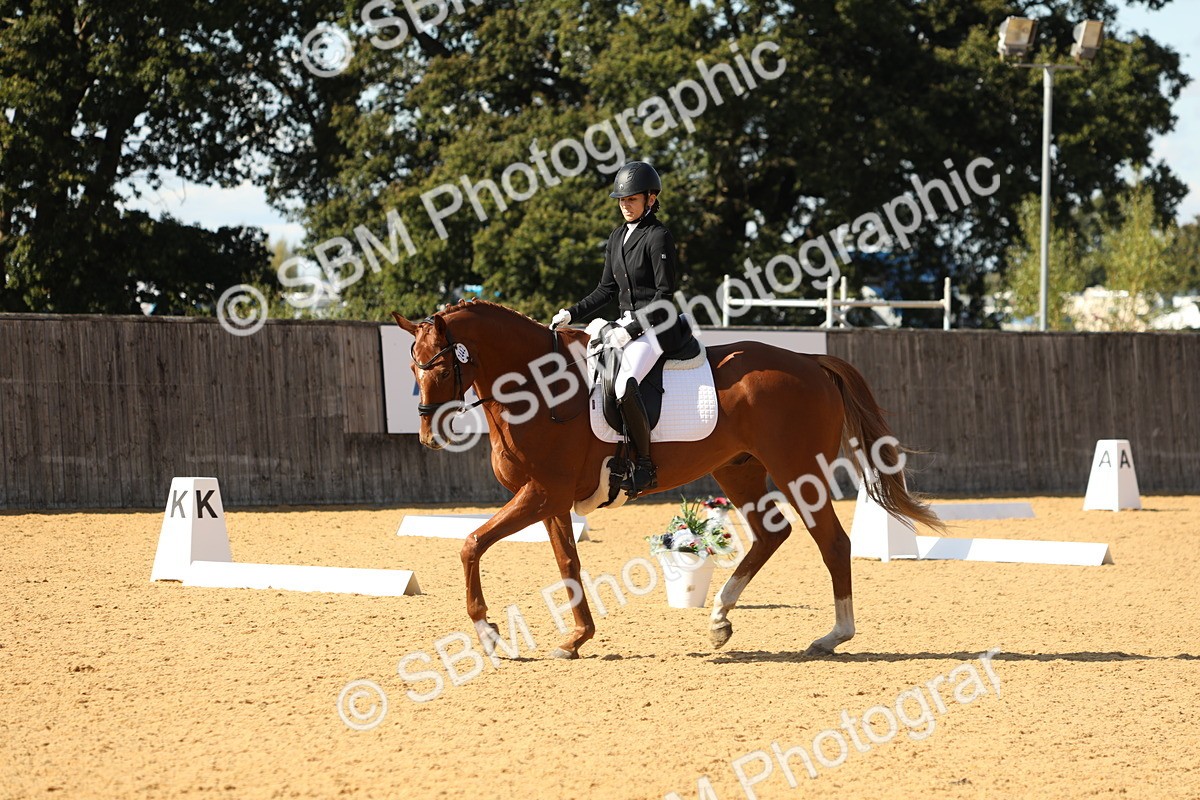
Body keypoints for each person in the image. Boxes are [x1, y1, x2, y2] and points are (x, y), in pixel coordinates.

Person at [550, 161, 694, 496]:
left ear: (650, 198)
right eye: (621, 200)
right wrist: (571, 312)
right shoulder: (617, 237)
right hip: (625, 323)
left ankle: (645, 465)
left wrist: (632, 331)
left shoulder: (659, 236)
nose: (624, 205)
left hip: (656, 325)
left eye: (631, 199)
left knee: (625, 383)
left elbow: (664, 297)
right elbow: (606, 290)